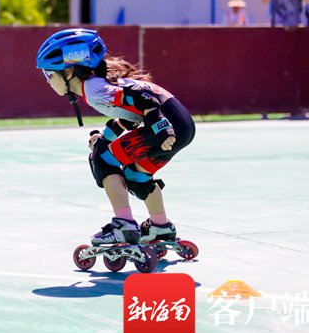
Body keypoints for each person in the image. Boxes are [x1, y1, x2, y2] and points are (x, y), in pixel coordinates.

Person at [35, 28, 196, 246]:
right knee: (135, 175)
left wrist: (160, 127)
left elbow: (144, 99)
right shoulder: (100, 84)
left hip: (166, 128)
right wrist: (106, 136)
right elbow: (130, 115)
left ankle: (124, 225)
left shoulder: (94, 89)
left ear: (69, 72)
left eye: (49, 74)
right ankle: (160, 226)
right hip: (181, 128)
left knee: (101, 157)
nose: (47, 80)